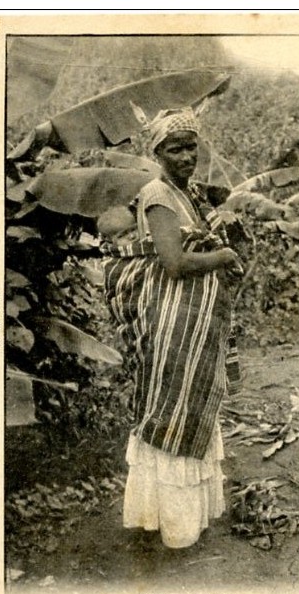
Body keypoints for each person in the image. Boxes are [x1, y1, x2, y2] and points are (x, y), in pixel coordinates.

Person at [102, 107, 242, 549]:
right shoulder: (158, 194)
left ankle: (186, 520)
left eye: (190, 146)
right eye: (175, 149)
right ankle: (171, 524)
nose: (186, 156)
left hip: (193, 322)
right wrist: (221, 257)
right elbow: (175, 263)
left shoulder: (190, 193)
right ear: (158, 153)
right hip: (172, 318)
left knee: (192, 404)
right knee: (172, 406)